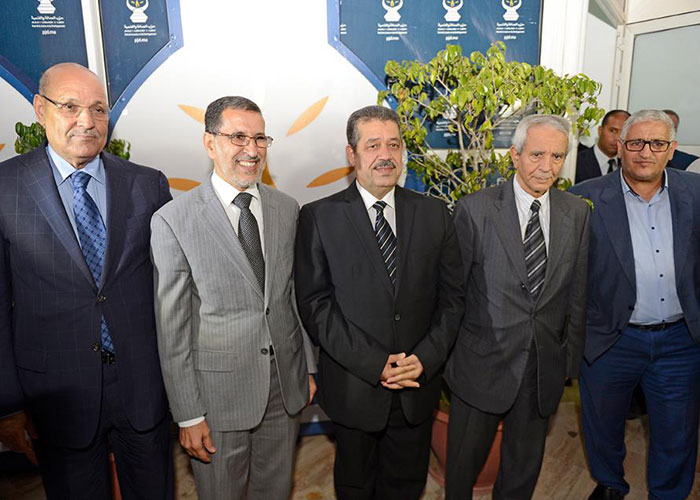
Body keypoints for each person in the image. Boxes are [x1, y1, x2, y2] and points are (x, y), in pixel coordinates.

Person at [0, 63, 173, 498]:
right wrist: (8, 405)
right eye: (70, 106)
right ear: (40, 110)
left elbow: (170, 292)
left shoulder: (147, 185)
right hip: (56, 396)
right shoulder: (5, 188)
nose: (87, 121)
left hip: (142, 388)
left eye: (98, 109)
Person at [294, 105, 464, 499]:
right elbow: (315, 305)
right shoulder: (319, 217)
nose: (385, 155)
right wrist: (374, 364)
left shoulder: (435, 214)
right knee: (355, 486)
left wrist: (425, 358)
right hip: (355, 389)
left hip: (416, 386)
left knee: (406, 486)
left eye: (393, 144)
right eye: (372, 145)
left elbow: (453, 298)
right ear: (351, 154)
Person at [150, 96, 316, 500]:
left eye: (260, 138)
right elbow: (173, 330)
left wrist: (308, 369)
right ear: (210, 143)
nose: (252, 150)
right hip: (217, 399)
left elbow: (294, 296)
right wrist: (188, 414)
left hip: (284, 389)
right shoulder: (173, 220)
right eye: (238, 137)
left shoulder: (287, 209)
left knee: (275, 491)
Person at [445, 114, 590, 499]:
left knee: (522, 472)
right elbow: (452, 295)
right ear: (515, 155)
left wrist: (569, 362)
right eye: (537, 154)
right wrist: (446, 361)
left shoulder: (577, 212)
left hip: (541, 368)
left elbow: (577, 293)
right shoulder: (475, 209)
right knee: (461, 469)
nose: (547, 166)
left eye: (557, 156)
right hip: (480, 366)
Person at [570, 110, 700, 500]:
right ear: (620, 146)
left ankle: (668, 494)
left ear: (672, 149)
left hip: (680, 340)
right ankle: (610, 483)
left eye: (657, 143)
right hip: (612, 338)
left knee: (677, 430)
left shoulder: (695, 191)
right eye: (636, 143)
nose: (646, 152)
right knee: (602, 424)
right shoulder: (584, 198)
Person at [576, 109, 630, 183]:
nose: (618, 138)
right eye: (612, 130)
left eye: (624, 133)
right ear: (600, 131)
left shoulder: (628, 166)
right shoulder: (577, 162)